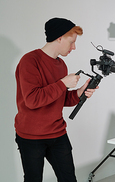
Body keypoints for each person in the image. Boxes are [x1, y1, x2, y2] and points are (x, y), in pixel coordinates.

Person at [14, 17, 98, 182]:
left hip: (57, 133)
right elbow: (32, 100)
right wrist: (62, 83)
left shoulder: (61, 65)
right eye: (71, 42)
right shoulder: (29, 61)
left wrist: (79, 93)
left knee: (68, 178)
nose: (74, 47)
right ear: (59, 37)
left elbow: (61, 98)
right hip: (31, 137)